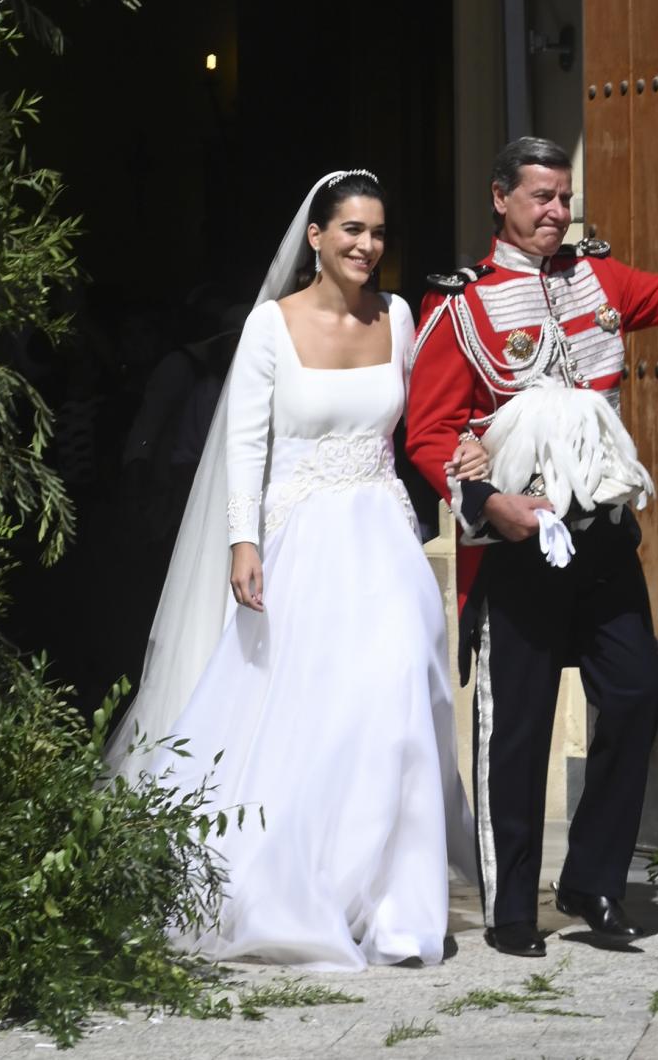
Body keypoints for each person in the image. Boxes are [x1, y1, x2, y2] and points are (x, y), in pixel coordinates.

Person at [405, 132, 658, 959]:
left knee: (636, 693)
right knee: (521, 728)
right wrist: (492, 503)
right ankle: (512, 911)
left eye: (564, 197)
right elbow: (427, 433)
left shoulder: (596, 277)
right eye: (541, 197)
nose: (557, 212)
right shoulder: (459, 305)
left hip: (601, 541)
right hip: (515, 548)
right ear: (501, 198)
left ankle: (594, 880)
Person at [106, 169, 476, 971]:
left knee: (401, 696)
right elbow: (243, 439)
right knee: (312, 708)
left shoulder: (402, 315)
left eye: (377, 232)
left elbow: (424, 420)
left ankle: (397, 907)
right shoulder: (270, 327)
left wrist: (471, 446)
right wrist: (243, 541)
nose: (366, 246)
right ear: (316, 237)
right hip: (301, 536)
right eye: (351, 229)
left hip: (381, 533)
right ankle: (296, 883)